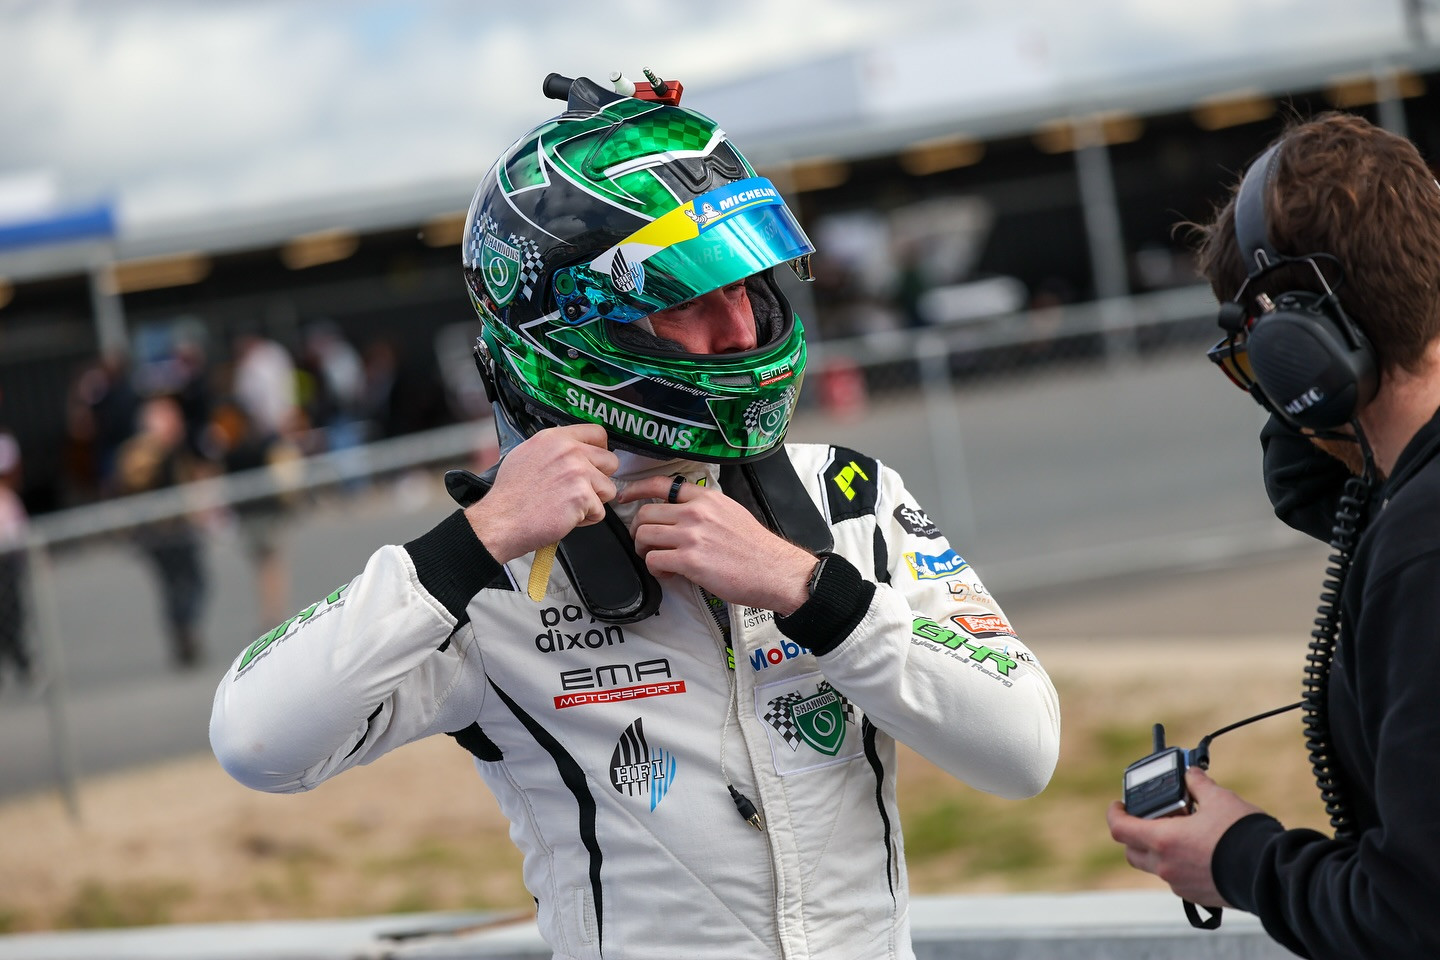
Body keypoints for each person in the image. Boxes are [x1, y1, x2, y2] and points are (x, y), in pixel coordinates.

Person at [211, 72, 1060, 960]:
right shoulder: (493, 574)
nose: (740, 331)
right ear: (572, 332)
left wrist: (806, 589)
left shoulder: (852, 497)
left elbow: (1022, 751)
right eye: (688, 301)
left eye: (748, 284)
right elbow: (256, 739)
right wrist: (477, 539)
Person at [1107, 112, 1440, 958]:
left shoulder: (1422, 549)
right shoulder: (1397, 511)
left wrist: (1236, 855)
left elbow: (1415, 919)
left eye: (1259, 358)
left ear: (1301, 349)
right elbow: (1309, 488)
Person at [118, 394, 212, 668]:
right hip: (171, 531)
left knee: (174, 586)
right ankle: (185, 629)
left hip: (156, 533)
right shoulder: (160, 456)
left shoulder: (138, 455)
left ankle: (182, 631)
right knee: (192, 582)